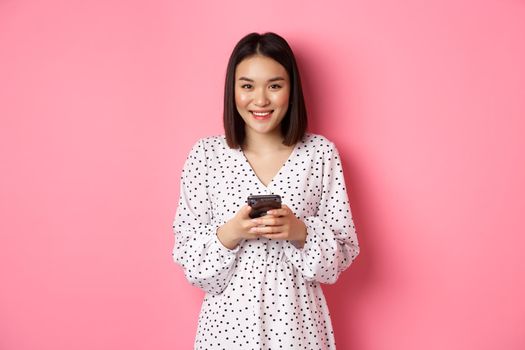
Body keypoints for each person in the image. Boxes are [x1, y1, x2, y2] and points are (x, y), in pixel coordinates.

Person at [172, 32, 360, 349]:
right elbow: (190, 261)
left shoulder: (320, 154)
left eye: (274, 85)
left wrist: (300, 231)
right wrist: (231, 232)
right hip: (227, 332)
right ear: (232, 91)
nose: (260, 100)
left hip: (297, 329)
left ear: (292, 89)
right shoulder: (206, 156)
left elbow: (343, 253)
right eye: (247, 86)